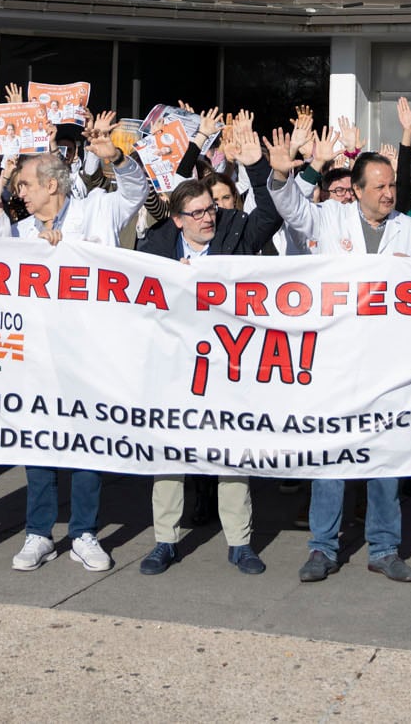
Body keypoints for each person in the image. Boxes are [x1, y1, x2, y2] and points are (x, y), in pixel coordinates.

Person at [264, 138, 411, 584]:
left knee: (383, 461)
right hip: (335, 362)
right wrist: (281, 175)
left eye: (391, 185)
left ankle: (384, 547)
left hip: (388, 366)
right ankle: (323, 547)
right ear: (355, 190)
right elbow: (292, 208)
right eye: (378, 186)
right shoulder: (328, 219)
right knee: (331, 456)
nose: (388, 193)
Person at [6, 141, 150, 575]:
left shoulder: (99, 210)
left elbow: (136, 191)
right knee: (40, 444)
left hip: (92, 352)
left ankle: (84, 532)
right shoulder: (18, 234)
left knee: (87, 442)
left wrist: (118, 159)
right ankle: (38, 533)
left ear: (52, 184)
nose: (22, 194)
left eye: (26, 185)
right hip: (39, 355)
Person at [132, 169, 286, 575]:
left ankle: (240, 542)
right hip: (174, 368)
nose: (208, 218)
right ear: (178, 219)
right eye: (197, 212)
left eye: (211, 209)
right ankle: (165, 540)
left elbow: (270, 216)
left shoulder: (234, 230)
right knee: (169, 454)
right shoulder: (156, 246)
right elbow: (135, 300)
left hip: (225, 366)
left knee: (231, 453)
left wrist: (257, 170)